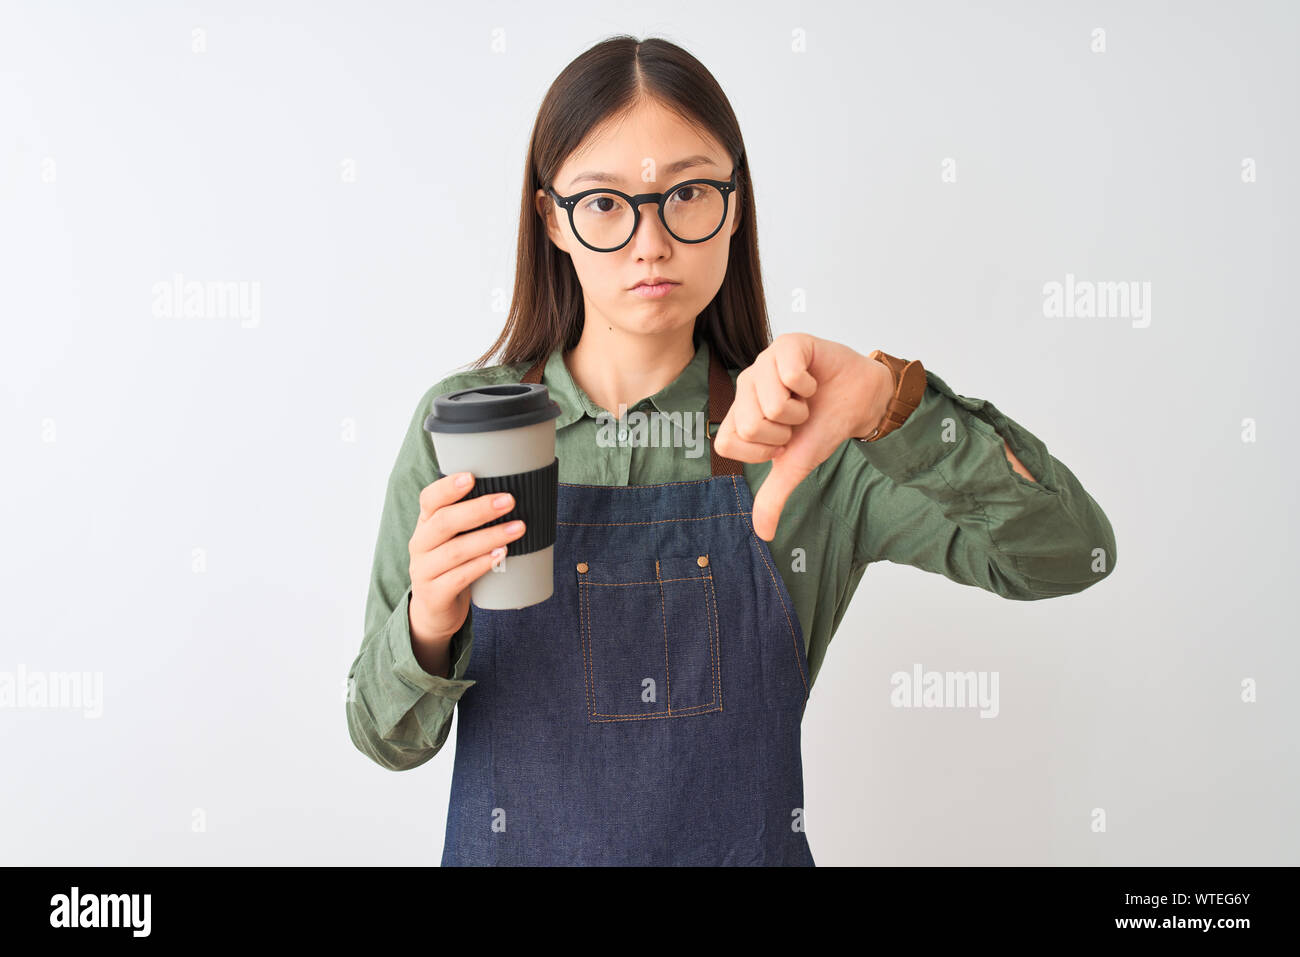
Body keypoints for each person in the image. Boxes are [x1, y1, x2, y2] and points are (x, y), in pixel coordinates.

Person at [346, 35, 1117, 866]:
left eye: (688, 192)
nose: (650, 241)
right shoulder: (465, 430)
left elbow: (1073, 556)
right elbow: (384, 739)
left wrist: (892, 402)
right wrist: (427, 622)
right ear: (551, 220)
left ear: (735, 202)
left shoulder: (809, 436)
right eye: (604, 201)